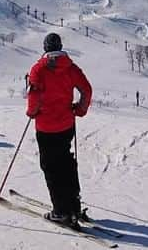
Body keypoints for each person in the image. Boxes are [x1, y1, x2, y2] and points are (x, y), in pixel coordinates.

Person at [26, 32, 92, 230]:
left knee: (51, 167)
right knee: (66, 161)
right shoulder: (71, 68)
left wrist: (32, 112)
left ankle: (61, 212)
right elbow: (86, 90)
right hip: (66, 124)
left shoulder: (39, 69)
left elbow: (34, 95)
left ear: (45, 48)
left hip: (46, 127)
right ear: (60, 46)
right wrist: (79, 110)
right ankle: (74, 206)